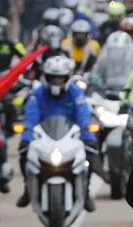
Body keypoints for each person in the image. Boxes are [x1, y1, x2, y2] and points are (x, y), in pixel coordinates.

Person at [16, 56, 97, 209]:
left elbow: (83, 114)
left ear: (67, 78)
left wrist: (87, 135)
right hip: (44, 138)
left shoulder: (76, 93)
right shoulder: (38, 93)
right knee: (24, 154)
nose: (56, 81)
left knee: (91, 155)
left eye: (60, 78)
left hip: (70, 137)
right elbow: (31, 116)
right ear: (46, 77)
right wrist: (26, 137)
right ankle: (28, 188)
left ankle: (85, 192)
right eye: (52, 78)